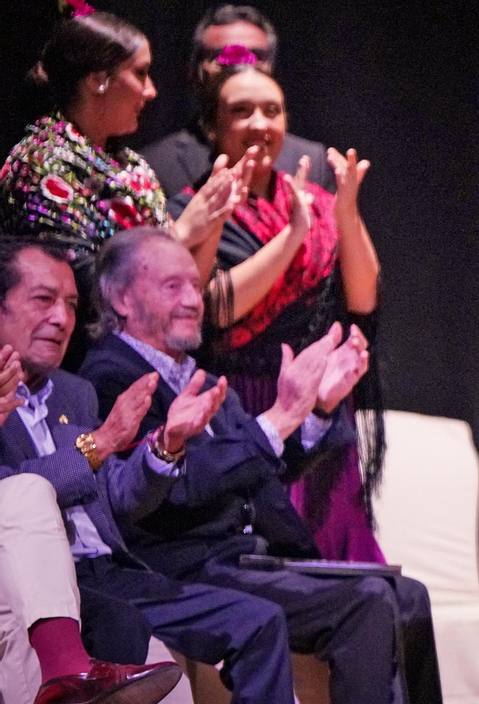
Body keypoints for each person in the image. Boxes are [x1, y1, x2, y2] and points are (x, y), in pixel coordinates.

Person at [77, 228, 442, 704]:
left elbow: (256, 465)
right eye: (173, 286)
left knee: (409, 596)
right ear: (122, 299)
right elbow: (176, 484)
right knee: (368, 603)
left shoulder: (195, 370)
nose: (193, 299)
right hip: (184, 567)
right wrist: (278, 418)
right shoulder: (110, 377)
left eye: (196, 284)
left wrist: (317, 411)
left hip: (246, 557)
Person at [0, 237, 299, 704]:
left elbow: (115, 500)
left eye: (71, 305)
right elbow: (16, 497)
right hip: (45, 584)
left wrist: (164, 448)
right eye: (43, 300)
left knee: (260, 619)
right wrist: (99, 443)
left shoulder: (73, 392)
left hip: (115, 570)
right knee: (127, 630)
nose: (61, 319)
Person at [170, 47, 384, 562]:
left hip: (319, 401)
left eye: (272, 110)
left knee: (339, 566)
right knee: (269, 565)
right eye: (241, 111)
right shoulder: (193, 207)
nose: (259, 123)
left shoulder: (311, 199)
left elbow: (363, 297)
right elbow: (211, 310)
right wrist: (291, 238)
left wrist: (348, 212)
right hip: (242, 404)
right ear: (212, 128)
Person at [0, 0, 244, 275]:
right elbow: (79, 289)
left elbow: (180, 281)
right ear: (97, 80)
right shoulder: (39, 164)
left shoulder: (130, 164)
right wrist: (181, 234)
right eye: (140, 73)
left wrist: (213, 222)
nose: (151, 90)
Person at [1, 471, 182, 704]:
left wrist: (161, 454)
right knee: (23, 491)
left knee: (121, 622)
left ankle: (71, 672)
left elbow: (118, 494)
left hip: (101, 569)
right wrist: (91, 450)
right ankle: (66, 670)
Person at [139, 4, 334, 196]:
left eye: (254, 57)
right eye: (224, 57)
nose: (241, 68)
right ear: (194, 73)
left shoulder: (311, 159)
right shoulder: (156, 166)